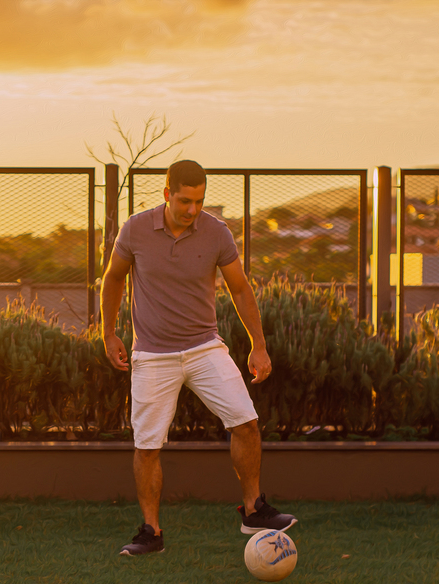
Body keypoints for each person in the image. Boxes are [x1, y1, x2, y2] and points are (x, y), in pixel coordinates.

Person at [100, 159, 296, 556]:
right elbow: (113, 277)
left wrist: (258, 343)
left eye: (199, 202)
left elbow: (240, 289)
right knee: (148, 445)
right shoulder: (136, 229)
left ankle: (254, 509)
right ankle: (151, 533)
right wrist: (107, 333)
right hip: (153, 354)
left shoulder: (216, 232)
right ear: (167, 194)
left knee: (246, 421)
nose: (192, 210)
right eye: (185, 201)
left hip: (205, 347)